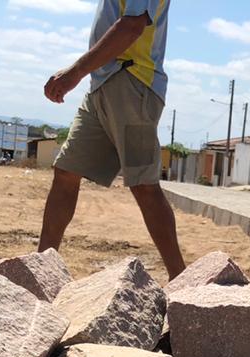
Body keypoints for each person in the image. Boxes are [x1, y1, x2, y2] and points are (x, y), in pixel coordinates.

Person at [40, 0, 186, 279]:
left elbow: (132, 26)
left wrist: (75, 72)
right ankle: (41, 269)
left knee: (144, 185)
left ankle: (181, 279)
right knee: (66, 172)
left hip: (133, 82)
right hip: (101, 84)